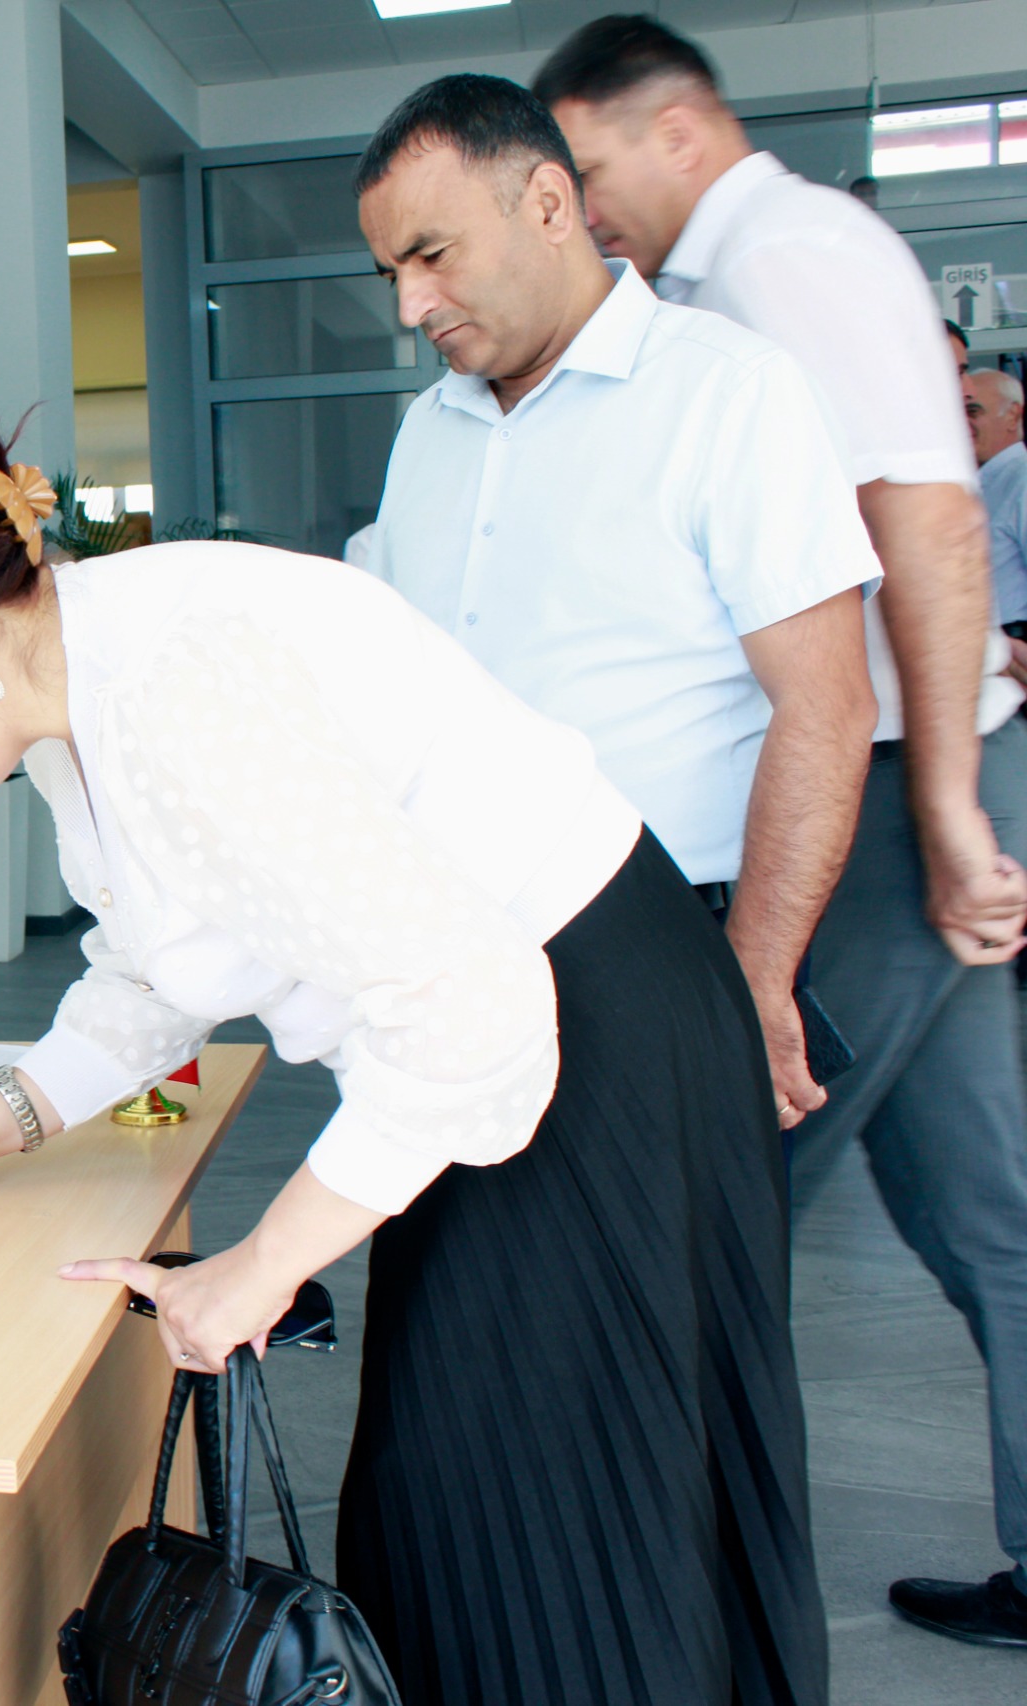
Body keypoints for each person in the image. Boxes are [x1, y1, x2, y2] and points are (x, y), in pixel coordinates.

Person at [0, 417, 825, 1703]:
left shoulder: (170, 691)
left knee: (543, 1526)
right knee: (478, 1510)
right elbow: (151, 978)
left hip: (584, 1044)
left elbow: (470, 1002)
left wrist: (261, 1264)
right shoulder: (78, 681)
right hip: (529, 1042)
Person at [539, 12, 1027, 1650]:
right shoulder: (728, 280)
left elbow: (929, 524)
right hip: (905, 769)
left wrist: (943, 802)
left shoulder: (786, 257)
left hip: (886, 781)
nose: (581, 208)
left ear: (677, 131)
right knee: (986, 1208)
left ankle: (652, 1594)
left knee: (725, 1175)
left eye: (587, 167)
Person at [357, 74, 877, 1129]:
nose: (411, 305)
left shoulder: (728, 390)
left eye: (432, 254)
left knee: (674, 1241)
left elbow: (826, 707)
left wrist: (753, 977)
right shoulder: (426, 431)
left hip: (662, 940)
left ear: (550, 205)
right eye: (391, 273)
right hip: (459, 961)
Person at [963, 370, 1027, 643]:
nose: (962, 423)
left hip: (1013, 645)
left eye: (973, 411)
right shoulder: (981, 482)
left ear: (1012, 416)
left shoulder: (1021, 479)